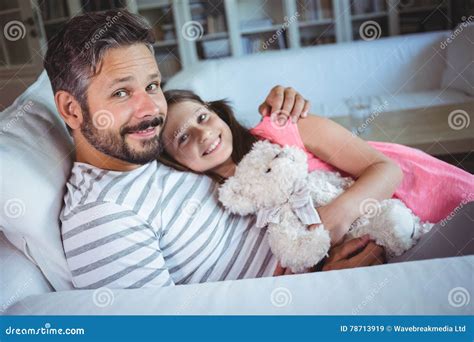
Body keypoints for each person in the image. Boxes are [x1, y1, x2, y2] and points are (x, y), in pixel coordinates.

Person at [47, 10, 385, 289]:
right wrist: (319, 288)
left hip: (352, 237)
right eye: (121, 93)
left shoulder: (149, 153)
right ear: (72, 109)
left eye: (152, 85)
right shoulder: (102, 217)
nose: (150, 108)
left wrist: (280, 115)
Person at [158, 89, 474, 267]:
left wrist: (334, 217)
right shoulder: (223, 201)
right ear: (174, 162)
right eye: (182, 138)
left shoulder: (283, 128)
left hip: (417, 215)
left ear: (217, 112)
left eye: (202, 117)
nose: (203, 133)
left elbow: (387, 169)